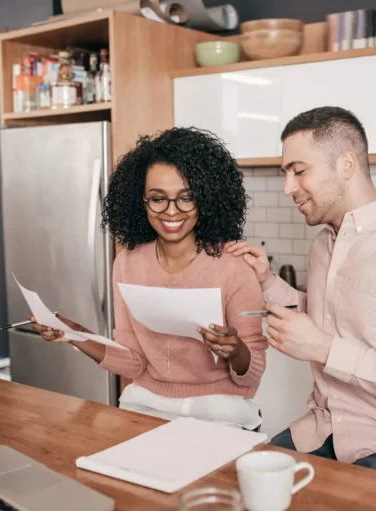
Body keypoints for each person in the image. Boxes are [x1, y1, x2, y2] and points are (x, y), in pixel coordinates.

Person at [227, 106, 376, 510]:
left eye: (298, 170)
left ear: (346, 164)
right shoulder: (325, 243)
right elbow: (329, 316)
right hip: (321, 431)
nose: (288, 188)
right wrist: (267, 282)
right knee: (238, 495)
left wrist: (323, 348)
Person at [32, 127, 268, 431]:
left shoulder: (234, 269)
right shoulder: (128, 264)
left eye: (186, 198)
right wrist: (75, 334)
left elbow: (251, 375)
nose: (171, 211)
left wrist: (235, 350)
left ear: (206, 199)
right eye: (158, 198)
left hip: (220, 413)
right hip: (147, 407)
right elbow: (134, 362)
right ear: (140, 201)